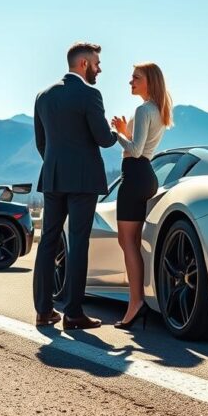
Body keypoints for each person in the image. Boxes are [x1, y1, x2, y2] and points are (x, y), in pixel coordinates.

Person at [33, 41, 119, 330]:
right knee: (79, 243)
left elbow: (41, 143)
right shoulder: (89, 94)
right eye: (97, 63)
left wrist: (57, 164)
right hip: (83, 180)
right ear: (83, 64)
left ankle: (44, 311)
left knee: (48, 241)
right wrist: (118, 132)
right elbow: (103, 139)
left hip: (53, 177)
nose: (100, 69)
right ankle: (73, 314)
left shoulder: (43, 96)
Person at [109, 62, 173, 330]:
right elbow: (142, 146)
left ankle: (136, 303)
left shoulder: (142, 109)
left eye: (136, 77)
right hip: (145, 175)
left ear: (150, 81)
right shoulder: (156, 110)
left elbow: (135, 151)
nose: (130, 81)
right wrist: (126, 132)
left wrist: (116, 135)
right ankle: (137, 302)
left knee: (127, 242)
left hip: (135, 176)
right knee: (133, 243)